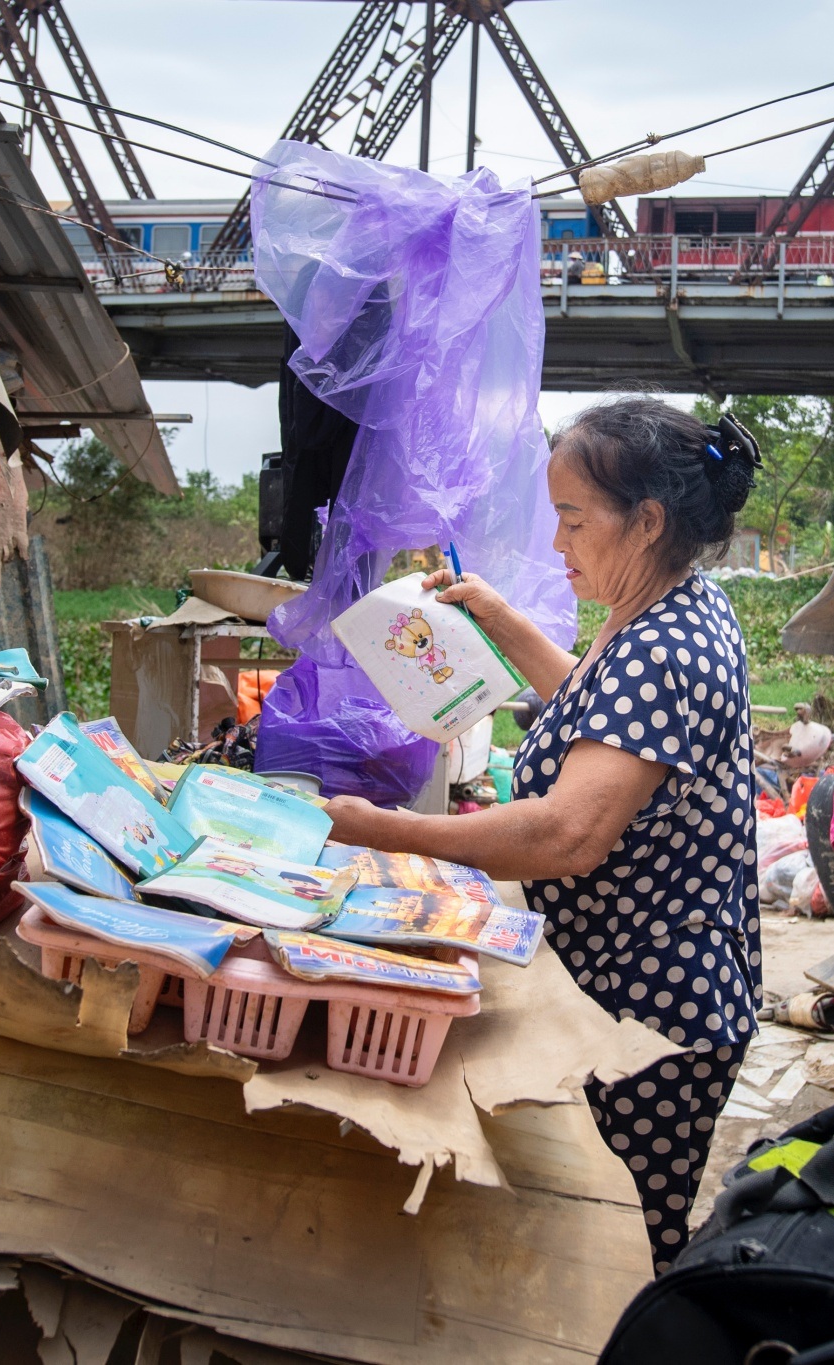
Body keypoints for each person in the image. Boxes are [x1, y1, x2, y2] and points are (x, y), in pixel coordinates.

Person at [325, 396, 762, 1273]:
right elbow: (600, 712)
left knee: (620, 1243)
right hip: (638, 977)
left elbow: (567, 836)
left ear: (646, 522)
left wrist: (391, 831)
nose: (557, 545)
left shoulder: (667, 649)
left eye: (571, 521)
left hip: (653, 1014)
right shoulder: (669, 604)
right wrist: (496, 616)